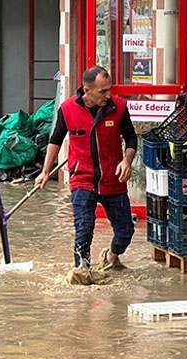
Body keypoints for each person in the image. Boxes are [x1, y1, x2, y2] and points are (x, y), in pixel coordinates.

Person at [35, 66, 138, 285]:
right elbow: (55, 140)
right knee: (84, 226)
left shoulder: (118, 108)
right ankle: (82, 270)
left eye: (109, 89)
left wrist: (126, 160)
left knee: (126, 232)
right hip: (82, 179)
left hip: (113, 179)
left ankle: (110, 257)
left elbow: (131, 138)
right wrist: (45, 172)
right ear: (87, 90)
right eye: (102, 91)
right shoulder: (67, 109)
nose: (108, 95)